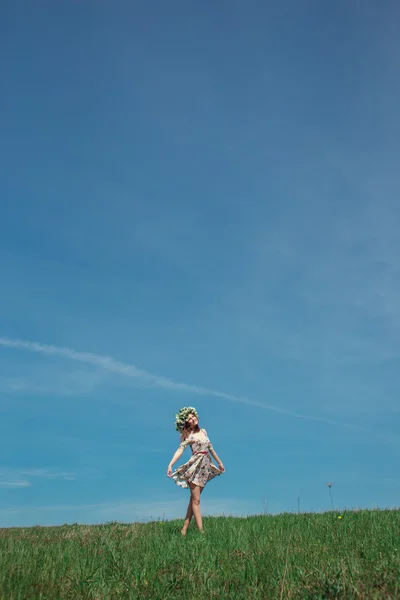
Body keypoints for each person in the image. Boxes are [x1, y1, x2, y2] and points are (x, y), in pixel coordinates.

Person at [167, 406, 225, 535]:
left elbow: (211, 448)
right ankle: (201, 532)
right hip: (195, 466)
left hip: (205, 466)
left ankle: (184, 529)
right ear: (186, 423)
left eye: (193, 417)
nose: (193, 419)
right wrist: (171, 464)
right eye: (189, 419)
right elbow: (180, 450)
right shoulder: (188, 435)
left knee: (193, 500)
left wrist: (219, 462)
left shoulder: (203, 432)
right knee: (196, 501)